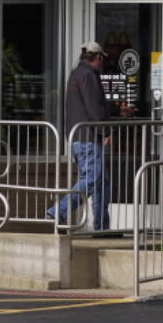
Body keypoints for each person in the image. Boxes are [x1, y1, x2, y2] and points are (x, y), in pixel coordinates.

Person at [47, 42, 132, 231]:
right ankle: (59, 210)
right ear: (98, 57)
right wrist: (105, 132)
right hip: (88, 138)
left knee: (102, 183)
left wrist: (116, 111)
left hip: (79, 136)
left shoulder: (77, 74)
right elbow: (94, 107)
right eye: (102, 58)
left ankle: (102, 228)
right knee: (92, 179)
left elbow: (92, 104)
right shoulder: (88, 75)